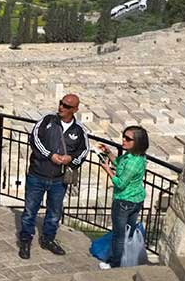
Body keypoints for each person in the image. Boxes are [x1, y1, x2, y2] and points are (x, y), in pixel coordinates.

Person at [17, 93, 90, 259]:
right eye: (61, 103)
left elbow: (84, 150)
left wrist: (71, 159)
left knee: (55, 212)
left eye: (66, 106)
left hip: (59, 179)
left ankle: (48, 239)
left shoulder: (79, 131)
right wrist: (50, 155)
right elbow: (35, 139)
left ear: (75, 110)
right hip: (38, 174)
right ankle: (25, 240)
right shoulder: (47, 121)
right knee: (30, 211)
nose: (61, 107)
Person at [98, 126, 149, 268]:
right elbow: (120, 164)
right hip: (136, 199)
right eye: (123, 136)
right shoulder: (134, 156)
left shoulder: (133, 162)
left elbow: (120, 183)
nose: (123, 140)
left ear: (137, 142)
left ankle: (115, 264)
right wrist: (108, 153)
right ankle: (126, 259)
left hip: (124, 201)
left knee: (119, 235)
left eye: (128, 139)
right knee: (128, 232)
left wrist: (108, 170)